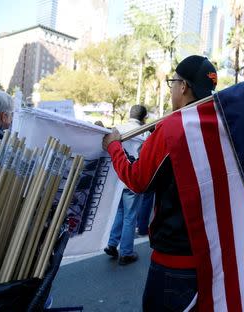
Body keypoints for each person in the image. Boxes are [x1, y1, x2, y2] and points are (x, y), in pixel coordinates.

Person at [102, 55, 217, 311]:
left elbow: (137, 180)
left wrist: (113, 148)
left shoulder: (173, 128)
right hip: (211, 256)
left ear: (184, 86)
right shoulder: (220, 126)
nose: (172, 88)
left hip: (173, 262)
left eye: (173, 82)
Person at [103, 105, 148, 265]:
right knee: (130, 216)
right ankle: (126, 252)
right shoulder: (144, 132)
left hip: (118, 178)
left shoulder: (118, 129)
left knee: (120, 212)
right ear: (144, 118)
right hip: (132, 179)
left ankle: (112, 243)